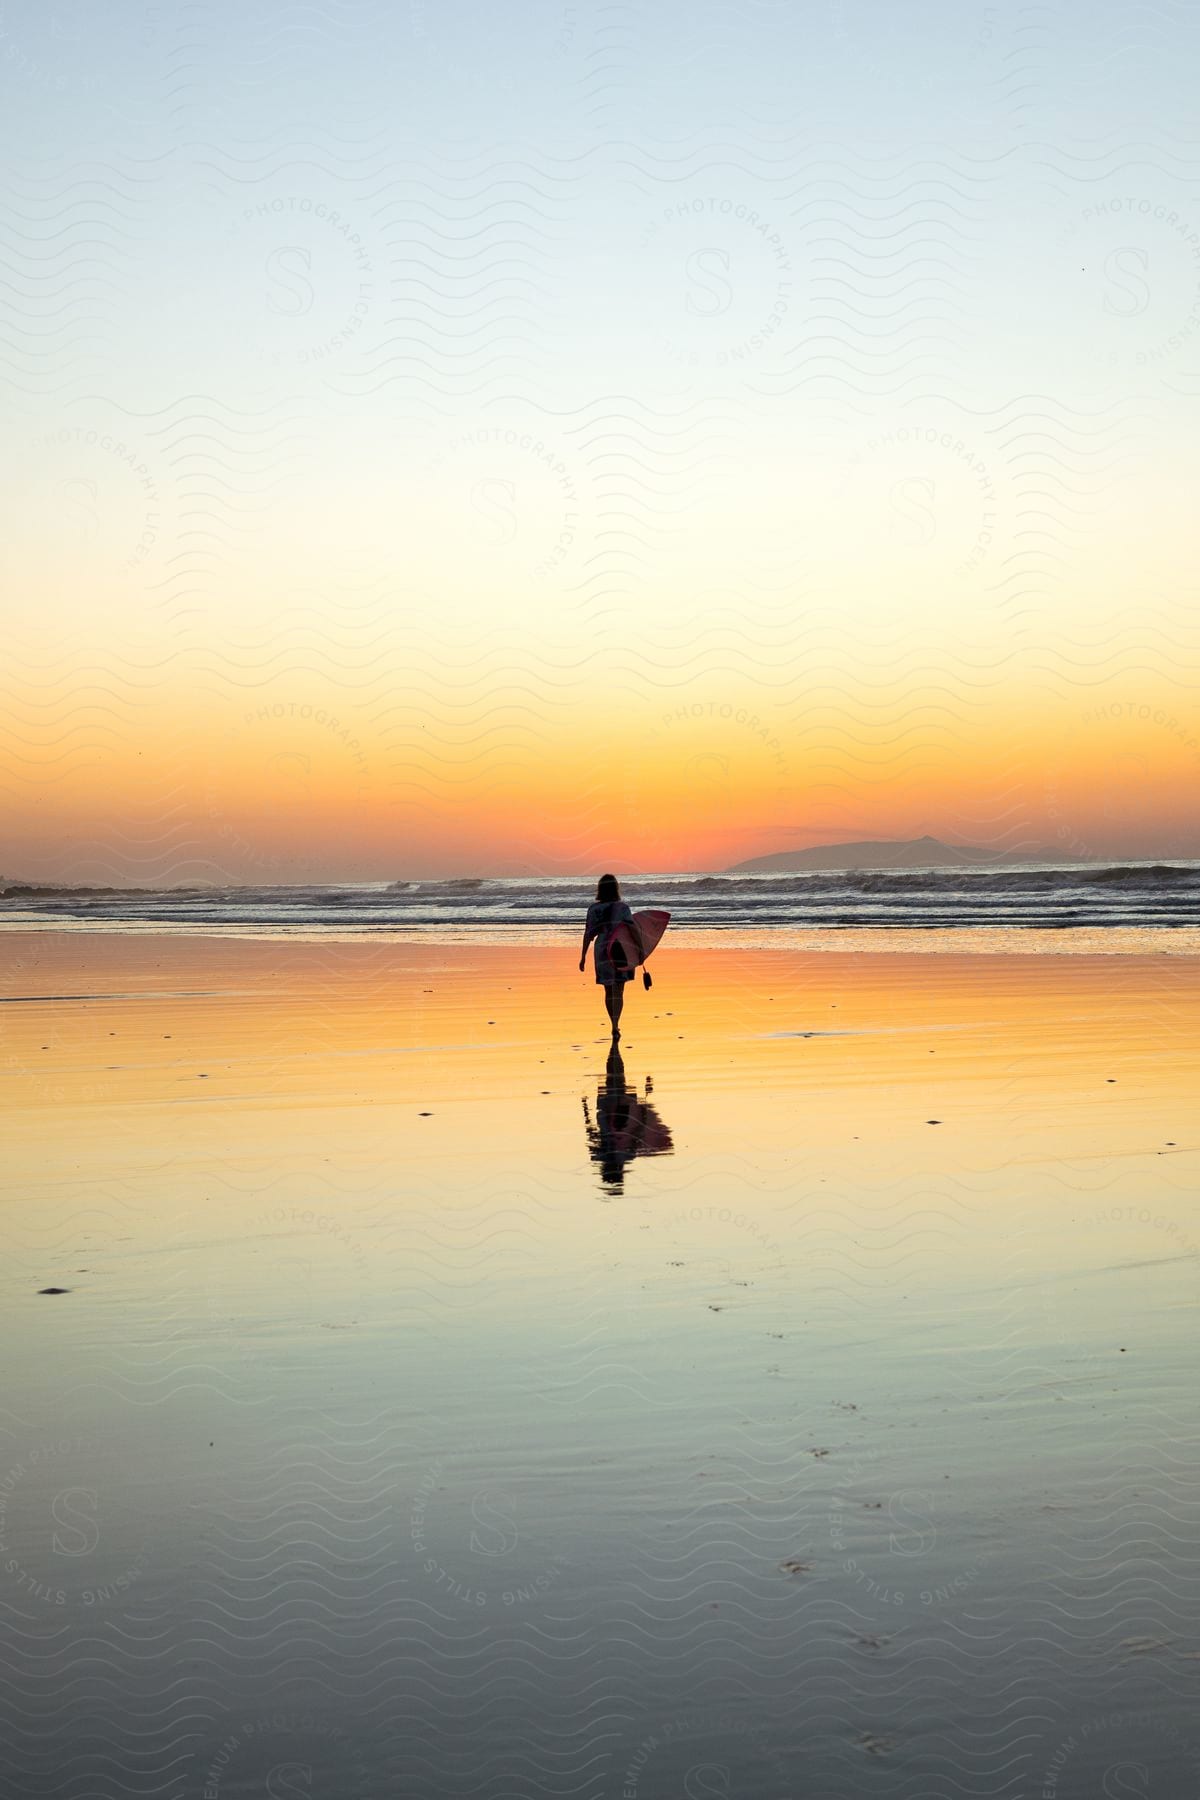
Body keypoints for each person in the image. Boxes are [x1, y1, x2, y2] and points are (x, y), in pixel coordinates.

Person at [579, 873, 644, 1038]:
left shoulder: (594, 909)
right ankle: (616, 1025)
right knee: (619, 990)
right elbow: (633, 929)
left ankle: (613, 1024)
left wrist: (583, 956)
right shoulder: (622, 908)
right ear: (616, 889)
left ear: (600, 889)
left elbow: (588, 934)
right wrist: (640, 949)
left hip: (601, 950)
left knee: (608, 990)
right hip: (620, 949)